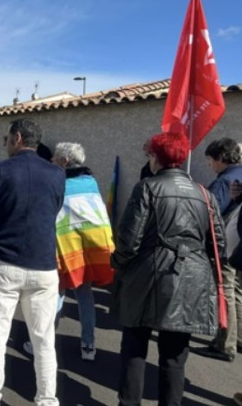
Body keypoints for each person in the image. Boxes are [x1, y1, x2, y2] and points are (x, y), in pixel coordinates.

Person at [111, 132, 224, 406]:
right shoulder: (205, 194)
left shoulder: (147, 188)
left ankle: (129, 403)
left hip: (148, 276)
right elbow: (218, 246)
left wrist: (117, 263)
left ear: (155, 157)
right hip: (192, 279)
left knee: (135, 346)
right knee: (175, 355)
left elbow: (129, 240)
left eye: (150, 154)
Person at [0, 118, 65, 406]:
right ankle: (47, 400)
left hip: (3, 262)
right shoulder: (57, 175)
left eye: (7, 138)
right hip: (43, 265)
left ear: (18, 138)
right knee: (44, 339)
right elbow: (54, 210)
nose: (6, 143)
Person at [51, 142, 115, 360]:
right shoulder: (91, 182)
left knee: (57, 294)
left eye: (56, 158)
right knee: (84, 295)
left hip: (65, 249)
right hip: (87, 249)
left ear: (65, 162)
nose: (52, 161)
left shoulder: (59, 183)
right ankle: (88, 344)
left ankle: (46, 344)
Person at [191, 137, 242, 363]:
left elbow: (212, 215)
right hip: (238, 246)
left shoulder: (224, 181)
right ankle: (237, 337)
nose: (210, 165)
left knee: (225, 293)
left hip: (225, 246)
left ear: (221, 158)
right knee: (237, 292)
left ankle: (224, 345)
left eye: (211, 160)